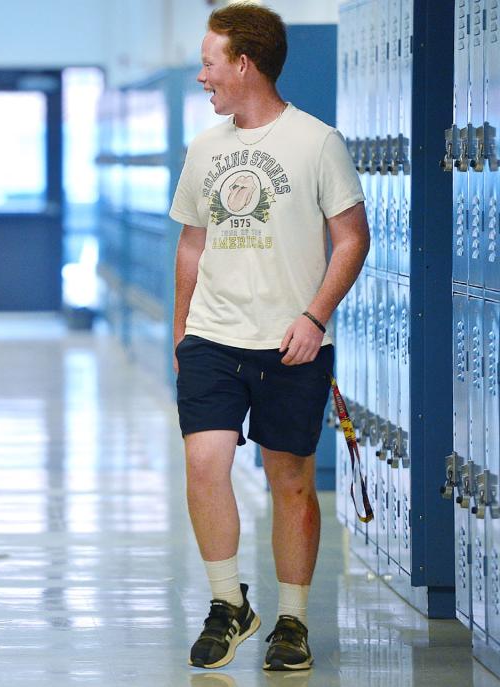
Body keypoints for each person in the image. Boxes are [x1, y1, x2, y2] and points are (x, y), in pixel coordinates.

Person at [170, 4, 369, 673]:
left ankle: (291, 618)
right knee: (205, 464)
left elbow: (352, 238)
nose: (203, 76)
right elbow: (192, 247)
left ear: (244, 63)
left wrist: (315, 317)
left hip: (291, 342)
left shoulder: (317, 142)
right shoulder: (205, 148)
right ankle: (228, 602)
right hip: (212, 337)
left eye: (210, 62)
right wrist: (181, 334)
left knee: (289, 482)